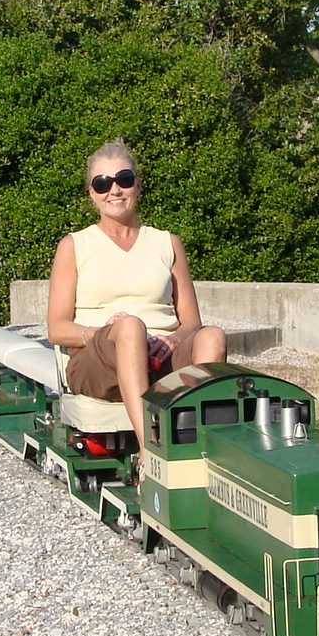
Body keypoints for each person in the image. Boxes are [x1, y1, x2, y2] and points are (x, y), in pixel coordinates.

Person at [46, 142, 226, 446]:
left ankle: (197, 443)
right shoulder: (74, 245)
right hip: (100, 359)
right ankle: (150, 449)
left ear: (137, 186)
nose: (114, 190)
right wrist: (107, 333)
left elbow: (191, 321)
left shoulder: (167, 243)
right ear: (92, 193)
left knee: (213, 337)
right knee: (130, 327)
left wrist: (173, 340)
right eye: (102, 183)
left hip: (161, 356)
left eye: (124, 180)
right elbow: (57, 329)